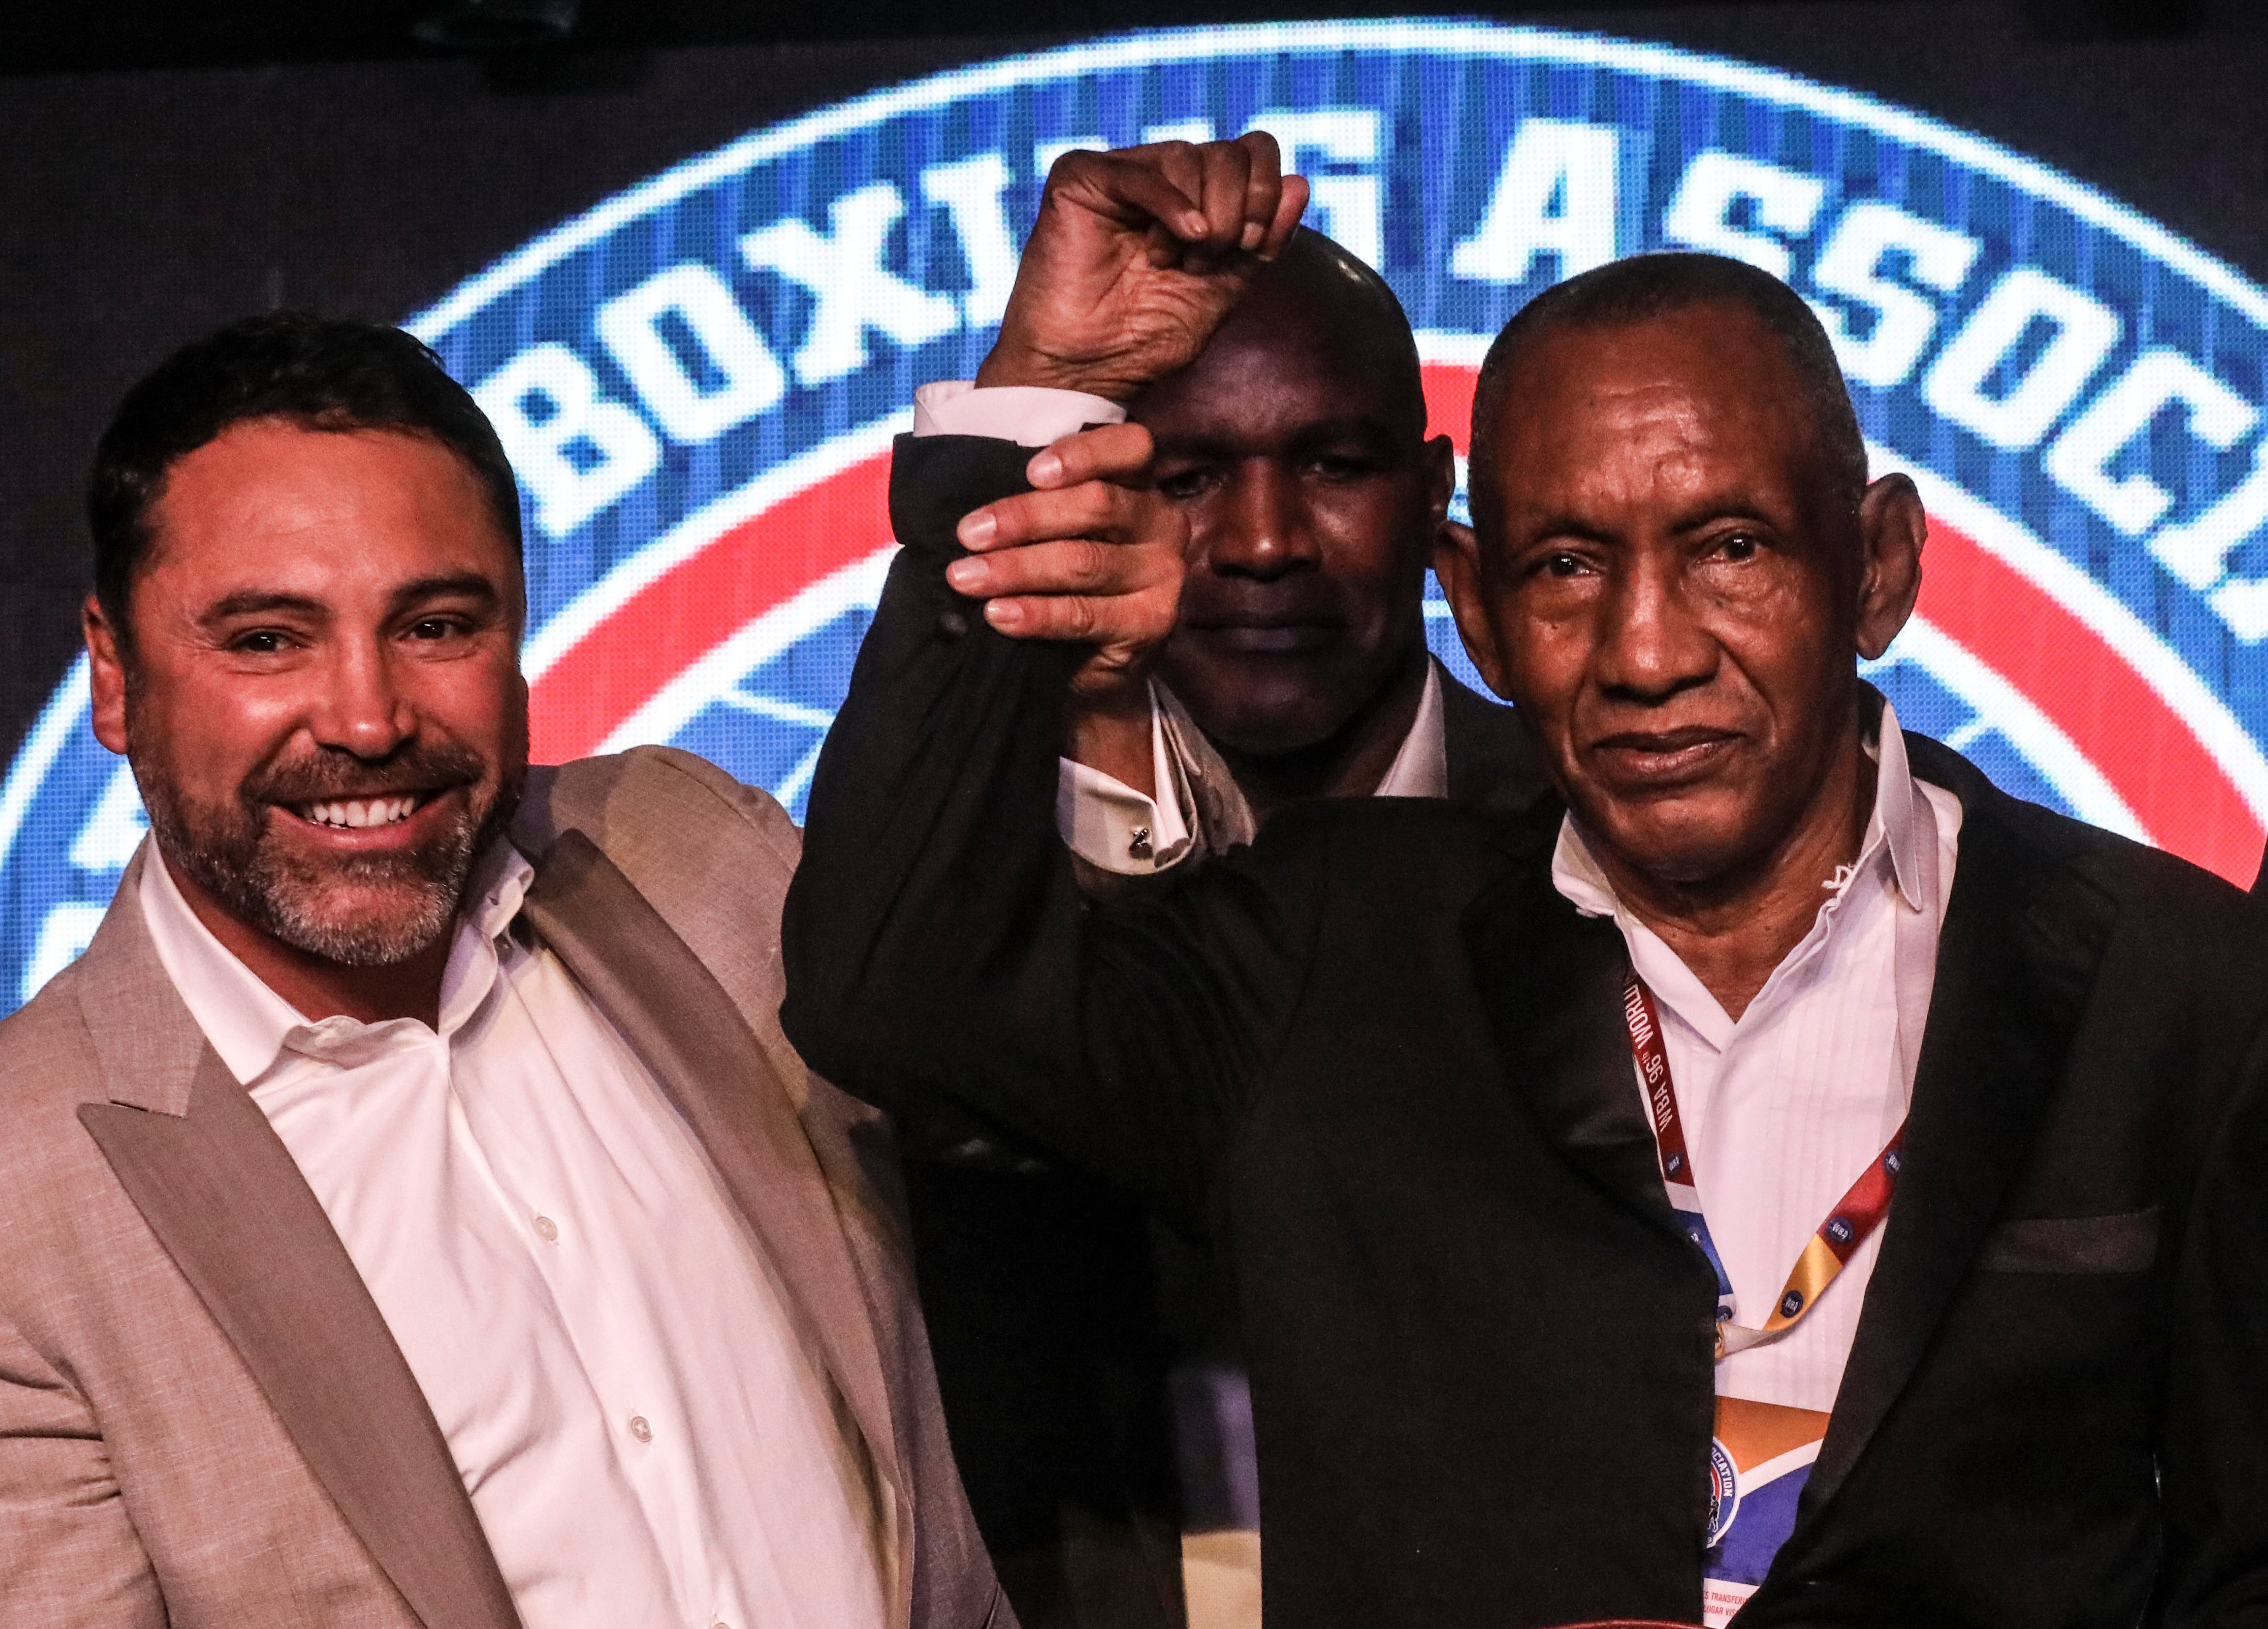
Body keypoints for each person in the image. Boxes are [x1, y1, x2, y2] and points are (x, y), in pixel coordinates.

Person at [782, 135, 2268, 1629]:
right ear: (1477, 613)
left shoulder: (2176, 992)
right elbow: (894, 987)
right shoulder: (1334, 946)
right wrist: (1036, 396)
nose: (1645, 651)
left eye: (1729, 547)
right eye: (1565, 565)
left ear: (1876, 566)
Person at [0, 312, 1014, 1629]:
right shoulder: (26, 1199)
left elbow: (1064, 1045)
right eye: (267, 641)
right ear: (116, 676)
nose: (367, 721)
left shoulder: (684, 849)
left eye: (435, 625)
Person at [901, 219, 1547, 1627]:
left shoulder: (1599, 849)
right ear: (1102, 504)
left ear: (1436, 496)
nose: (1261, 544)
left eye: (1334, 465)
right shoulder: (952, 899)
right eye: (1191, 476)